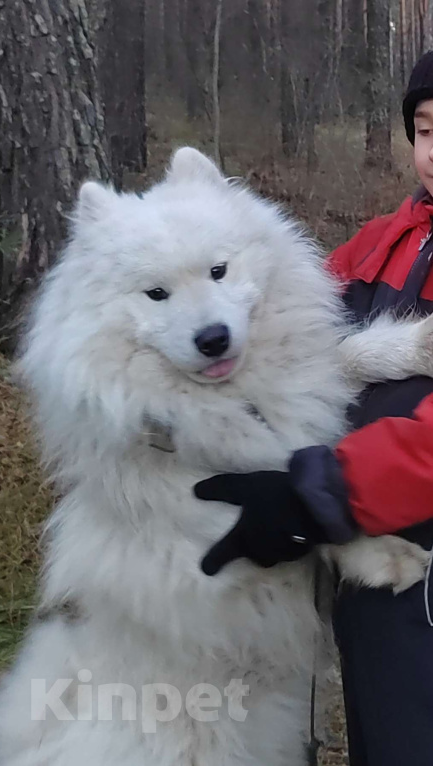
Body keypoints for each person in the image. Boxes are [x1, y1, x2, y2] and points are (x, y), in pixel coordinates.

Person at [195, 51, 433, 766]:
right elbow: (282, 330)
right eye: (424, 129)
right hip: (373, 577)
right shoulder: (382, 244)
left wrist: (317, 494)